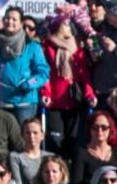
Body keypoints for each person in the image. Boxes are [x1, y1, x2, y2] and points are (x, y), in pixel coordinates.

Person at [0, 6, 50, 124]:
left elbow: (43, 73)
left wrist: (29, 83)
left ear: (21, 24)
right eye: (7, 18)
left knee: (23, 140)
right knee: (0, 140)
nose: (9, 21)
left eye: (14, 19)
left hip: (24, 102)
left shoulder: (32, 46)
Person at [41, 15, 96, 158]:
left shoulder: (77, 47)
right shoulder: (47, 46)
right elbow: (46, 73)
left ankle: (70, 172)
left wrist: (89, 94)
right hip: (55, 102)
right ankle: (55, 172)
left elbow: (84, 75)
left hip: (74, 101)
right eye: (64, 24)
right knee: (55, 140)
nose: (67, 27)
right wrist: (45, 93)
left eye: (68, 24)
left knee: (73, 141)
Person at [9, 117, 54, 184]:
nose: (31, 136)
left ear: (42, 135)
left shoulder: (50, 157)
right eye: (28, 133)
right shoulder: (15, 157)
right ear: (22, 135)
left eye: (35, 133)